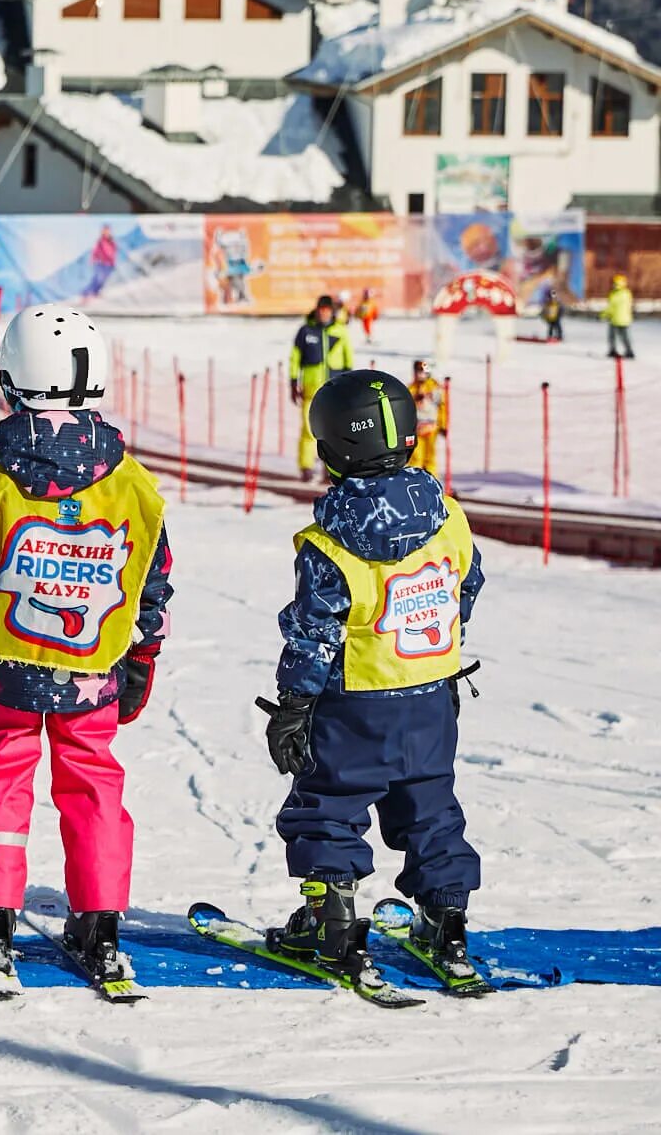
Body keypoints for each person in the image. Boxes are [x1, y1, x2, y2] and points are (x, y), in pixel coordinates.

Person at [0, 307, 174, 996]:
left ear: (12, 378)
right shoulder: (134, 484)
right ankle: (99, 923)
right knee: (93, 781)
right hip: (92, 669)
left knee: (2, 780)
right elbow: (151, 578)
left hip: (10, 665)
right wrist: (142, 654)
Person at [257, 369, 486, 989]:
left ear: (329, 453)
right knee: (430, 807)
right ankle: (448, 919)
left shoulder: (330, 543)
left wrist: (295, 705)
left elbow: (313, 632)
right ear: (411, 439)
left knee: (328, 806)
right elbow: (464, 586)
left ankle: (329, 922)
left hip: (355, 704)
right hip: (432, 695)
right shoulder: (450, 518)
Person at [288, 295, 354, 481]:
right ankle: (306, 467)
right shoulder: (305, 331)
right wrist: (293, 382)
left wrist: (350, 384)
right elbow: (295, 358)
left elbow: (349, 359)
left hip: (334, 391)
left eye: (327, 309)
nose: (324, 313)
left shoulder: (340, 331)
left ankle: (331, 467)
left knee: (333, 432)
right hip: (311, 389)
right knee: (309, 429)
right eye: (321, 309)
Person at [409, 361, 444, 476]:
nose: (420, 375)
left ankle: (433, 483)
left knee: (430, 458)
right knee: (416, 459)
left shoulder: (434, 387)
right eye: (418, 372)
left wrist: (443, 424)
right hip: (416, 429)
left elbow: (443, 405)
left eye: (422, 372)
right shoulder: (411, 389)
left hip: (431, 426)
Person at [603, 274, 635, 359]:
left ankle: (613, 350)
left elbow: (611, 307)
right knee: (625, 337)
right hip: (626, 319)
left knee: (612, 336)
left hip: (615, 319)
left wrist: (603, 315)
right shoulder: (627, 293)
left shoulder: (614, 294)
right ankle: (629, 351)